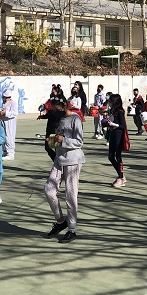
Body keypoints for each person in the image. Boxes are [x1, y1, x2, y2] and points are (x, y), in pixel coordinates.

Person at [44, 97, 85, 243]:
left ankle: (72, 229)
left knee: (70, 194)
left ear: (63, 106)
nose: (54, 112)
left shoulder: (75, 119)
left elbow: (79, 142)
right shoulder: (59, 120)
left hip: (73, 160)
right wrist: (52, 141)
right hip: (59, 159)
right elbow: (58, 139)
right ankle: (61, 221)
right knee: (49, 190)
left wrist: (63, 140)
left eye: (56, 109)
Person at [104, 93, 129, 187]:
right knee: (110, 156)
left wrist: (112, 124)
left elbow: (123, 126)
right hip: (113, 134)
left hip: (118, 135)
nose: (109, 102)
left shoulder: (120, 111)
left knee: (118, 156)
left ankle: (121, 177)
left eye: (111, 100)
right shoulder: (112, 111)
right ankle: (121, 174)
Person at [0, 90, 18, 160]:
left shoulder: (13, 103)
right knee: (3, 136)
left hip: (10, 123)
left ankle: (10, 153)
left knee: (9, 137)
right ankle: (5, 151)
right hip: (4, 122)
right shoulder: (4, 103)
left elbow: (14, 113)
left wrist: (6, 112)